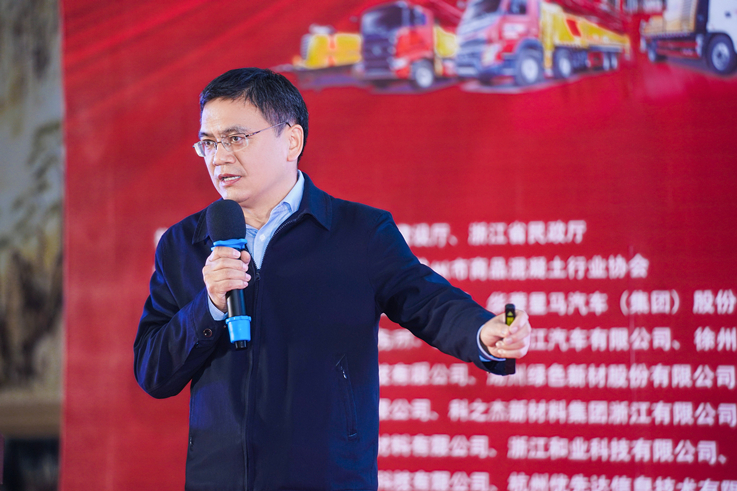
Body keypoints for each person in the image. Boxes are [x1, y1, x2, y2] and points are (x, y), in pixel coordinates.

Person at [134, 68, 531, 491]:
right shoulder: (184, 243)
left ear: (292, 141)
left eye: (236, 138)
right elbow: (153, 372)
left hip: (328, 476)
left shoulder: (358, 232)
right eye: (209, 143)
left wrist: (480, 331)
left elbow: (427, 301)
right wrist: (210, 306)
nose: (219, 157)